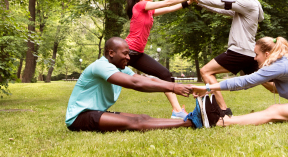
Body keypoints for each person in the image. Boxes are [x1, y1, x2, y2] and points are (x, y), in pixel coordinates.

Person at [190, 36, 288, 128]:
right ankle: (220, 120)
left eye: (256, 54)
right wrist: (260, 78)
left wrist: (208, 88)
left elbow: (244, 82)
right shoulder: (285, 62)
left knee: (275, 110)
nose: (254, 58)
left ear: (266, 54)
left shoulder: (281, 65)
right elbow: (274, 88)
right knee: (278, 113)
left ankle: (221, 122)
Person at [65, 37, 202, 132]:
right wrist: (172, 87)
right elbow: (135, 83)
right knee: (136, 123)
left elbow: (148, 79)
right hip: (79, 117)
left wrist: (183, 86)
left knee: (143, 118)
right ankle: (192, 122)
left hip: (96, 112)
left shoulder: (120, 68)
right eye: (125, 54)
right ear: (111, 53)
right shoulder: (101, 66)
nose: (129, 57)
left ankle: (190, 117)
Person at [187, 0, 264, 117]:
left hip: (239, 52)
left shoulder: (249, 4)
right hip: (249, 53)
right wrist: (197, 2)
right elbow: (220, 9)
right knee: (267, 81)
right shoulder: (245, 7)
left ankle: (223, 111)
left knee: (205, 71)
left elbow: (221, 3)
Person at [125, 0, 193, 119]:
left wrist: (188, 2)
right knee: (105, 76)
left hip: (137, 54)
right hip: (126, 53)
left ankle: (177, 111)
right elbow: (167, 2)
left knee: (165, 74)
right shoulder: (139, 5)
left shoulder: (149, 11)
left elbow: (169, 9)